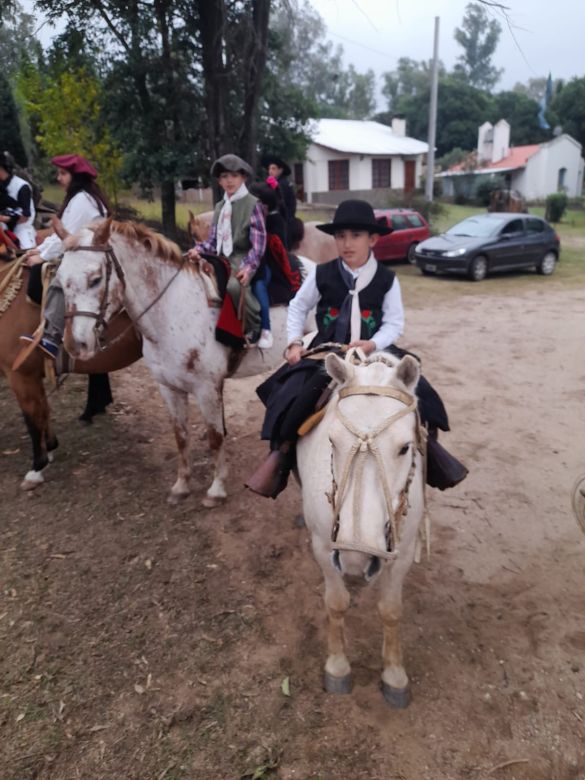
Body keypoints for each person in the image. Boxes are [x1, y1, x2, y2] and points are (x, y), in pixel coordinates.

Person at [246, 199, 468, 498]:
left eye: (355, 235)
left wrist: (373, 343)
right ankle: (284, 455)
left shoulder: (388, 279)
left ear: (373, 239)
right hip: (330, 354)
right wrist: (295, 341)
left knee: (422, 397)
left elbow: (394, 323)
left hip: (376, 354)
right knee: (291, 398)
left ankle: (428, 451)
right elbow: (298, 306)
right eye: (340, 236)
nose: (346, 243)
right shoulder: (322, 273)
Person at [20, 154, 111, 359]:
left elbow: (66, 239)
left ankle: (52, 338)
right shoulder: (79, 199)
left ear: (76, 177)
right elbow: (61, 234)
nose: (58, 178)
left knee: (60, 280)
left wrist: (42, 257)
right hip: (82, 250)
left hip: (89, 255)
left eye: (63, 173)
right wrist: (41, 250)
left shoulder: (82, 201)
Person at [188, 154, 265, 341]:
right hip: (222, 256)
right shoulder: (220, 206)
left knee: (233, 285)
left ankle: (255, 325)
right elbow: (213, 241)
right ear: (219, 181)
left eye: (234, 176)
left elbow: (258, 245)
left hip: (242, 256)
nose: (229, 181)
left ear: (243, 177)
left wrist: (248, 268)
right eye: (224, 177)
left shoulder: (252, 204)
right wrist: (199, 249)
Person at [0, 151, 36, 250]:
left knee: (26, 254)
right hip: (2, 226)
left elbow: (25, 216)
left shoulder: (22, 186)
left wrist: (4, 219)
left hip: (21, 227)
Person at [262, 154, 297, 248]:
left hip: (284, 220)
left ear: (280, 170)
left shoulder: (283, 184)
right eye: (269, 169)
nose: (270, 171)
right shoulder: (273, 183)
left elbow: (284, 205)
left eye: (273, 168)